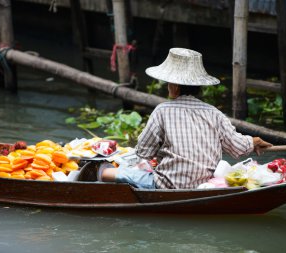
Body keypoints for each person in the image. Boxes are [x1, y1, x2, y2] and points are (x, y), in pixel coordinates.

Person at [99, 48, 272, 189]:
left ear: (174, 86)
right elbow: (238, 147)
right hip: (204, 185)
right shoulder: (214, 113)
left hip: (167, 185)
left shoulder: (162, 111)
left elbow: (143, 152)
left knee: (116, 171)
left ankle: (102, 173)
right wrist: (253, 141)